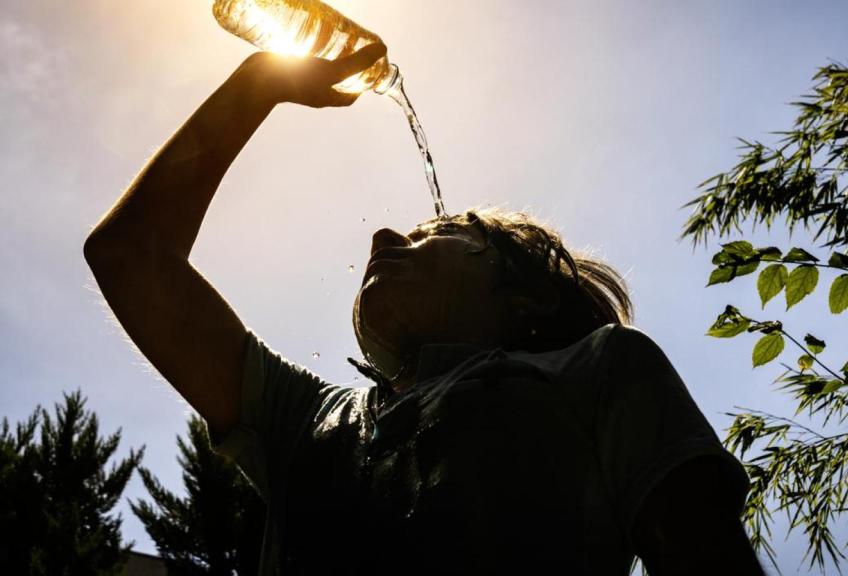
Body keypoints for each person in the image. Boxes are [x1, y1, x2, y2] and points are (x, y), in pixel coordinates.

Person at [84, 44, 764, 575]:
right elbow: (129, 255)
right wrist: (258, 83)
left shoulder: (599, 369)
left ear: (524, 295)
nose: (382, 237)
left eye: (436, 234)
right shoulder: (306, 420)